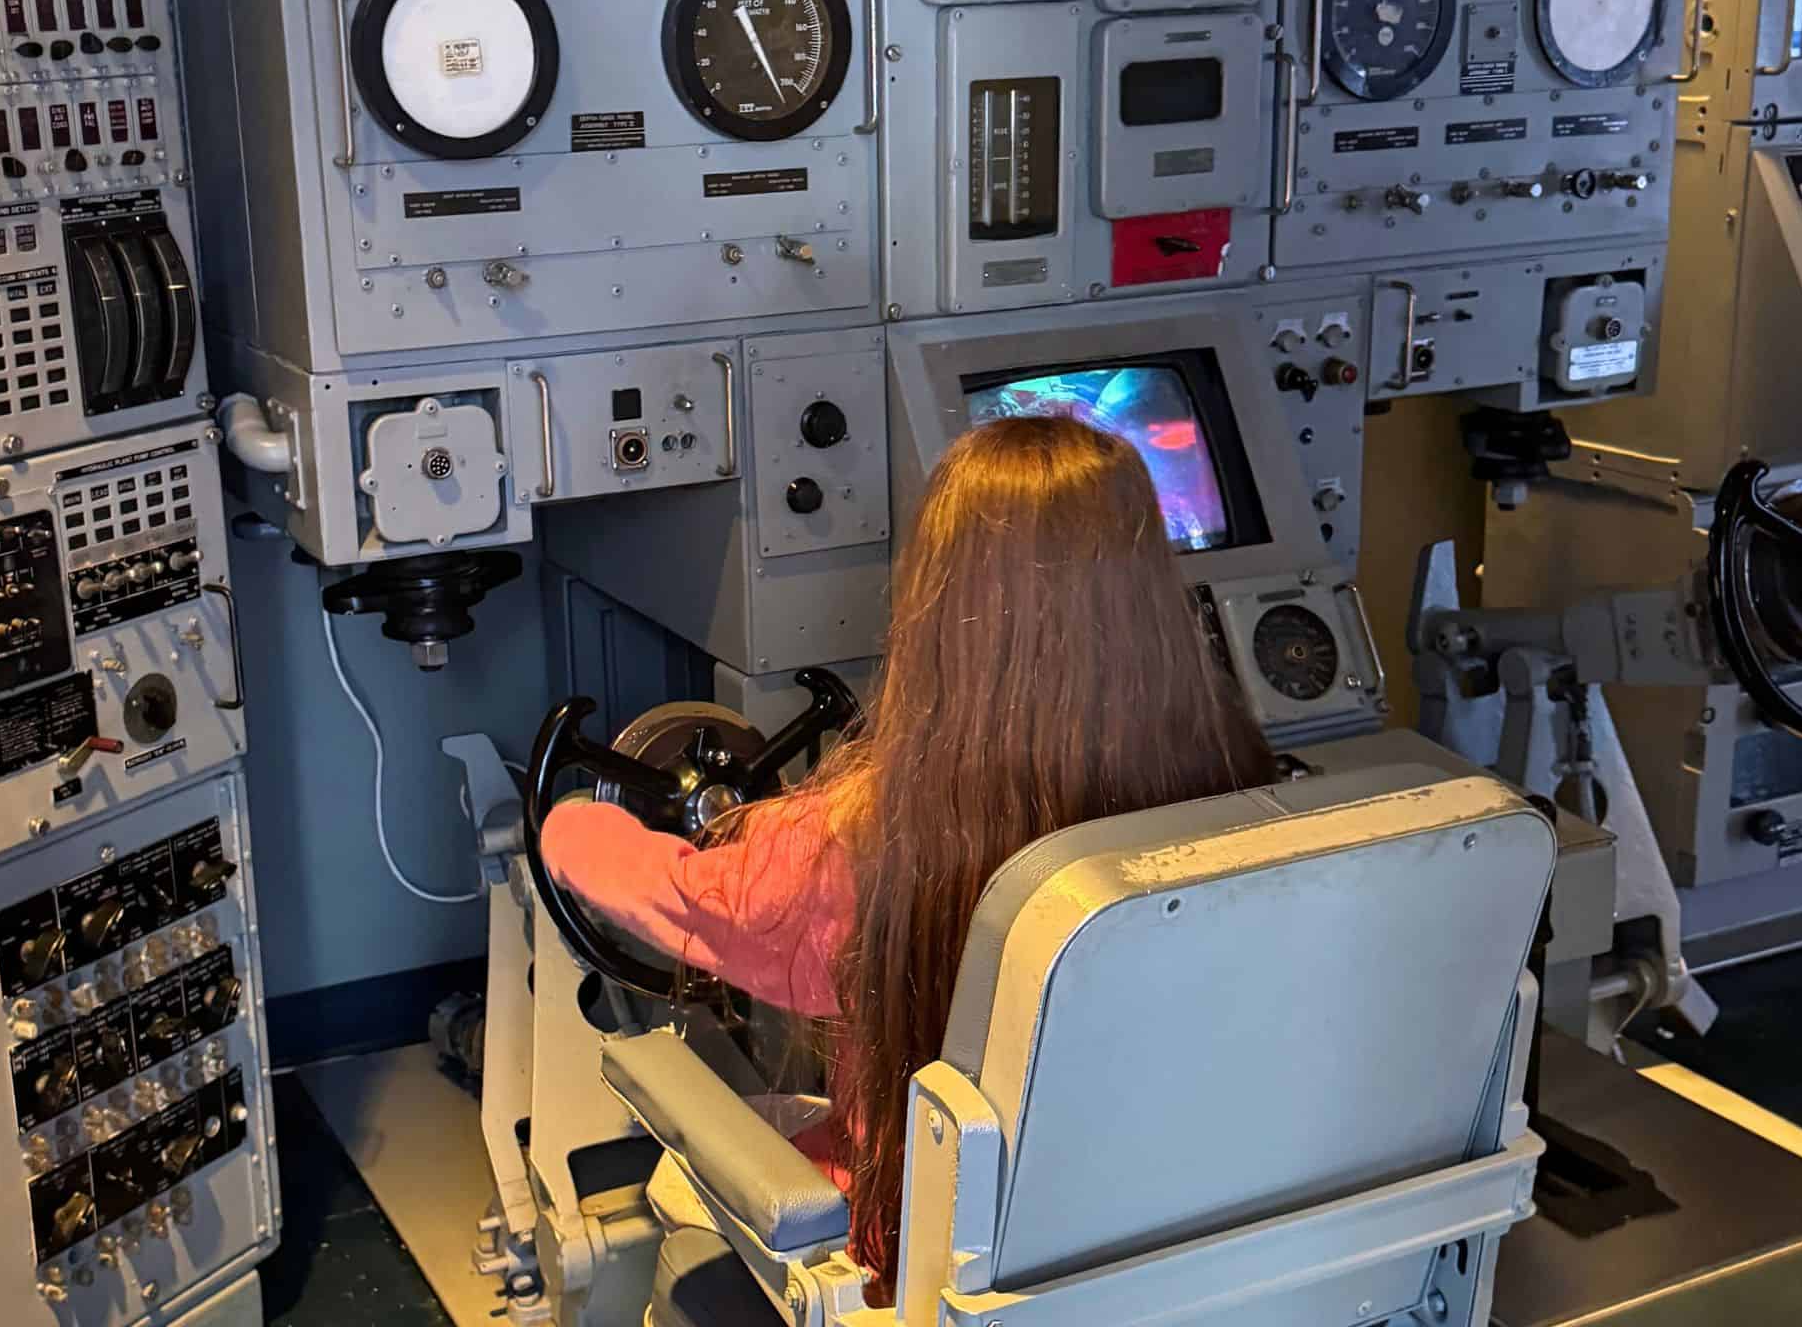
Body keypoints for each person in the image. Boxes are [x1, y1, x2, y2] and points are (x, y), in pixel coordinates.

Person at [541, 414, 1277, 1296]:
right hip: (1174, 1253)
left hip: (931, 1267)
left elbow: (674, 897)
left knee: (695, 1183)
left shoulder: (844, 851)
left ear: (941, 603)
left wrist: (571, 819)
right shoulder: (1241, 782)